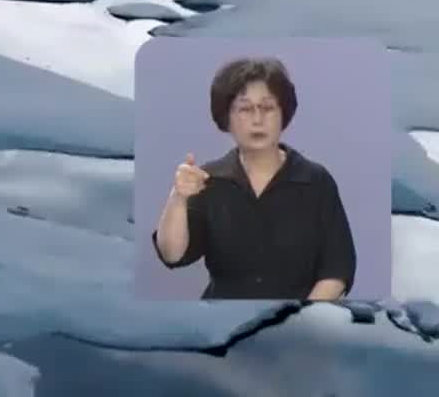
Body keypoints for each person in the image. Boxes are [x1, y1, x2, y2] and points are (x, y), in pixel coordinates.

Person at [152, 56, 356, 300]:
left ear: (284, 114)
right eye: (245, 109)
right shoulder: (209, 180)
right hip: (223, 325)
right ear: (226, 118)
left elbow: (337, 269)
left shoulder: (316, 181)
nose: (257, 120)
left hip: (299, 324)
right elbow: (172, 254)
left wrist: (298, 320)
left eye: (268, 108)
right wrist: (178, 197)